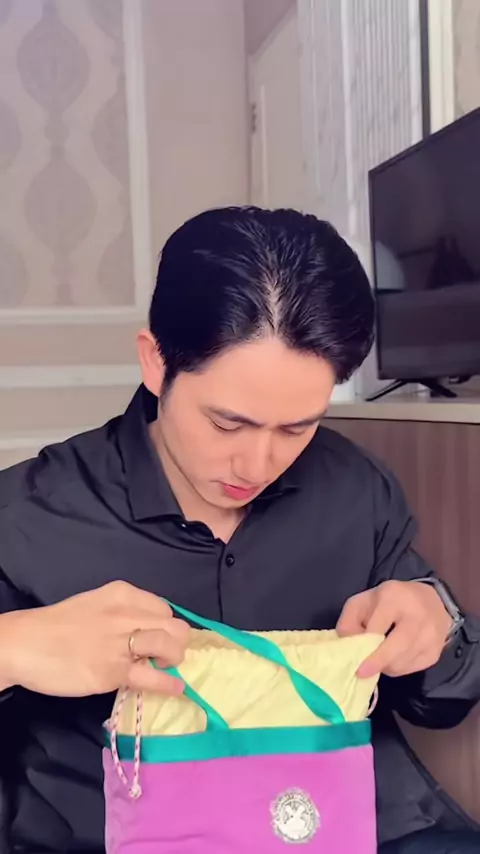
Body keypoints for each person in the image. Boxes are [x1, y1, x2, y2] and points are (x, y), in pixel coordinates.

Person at [0, 207, 479, 854]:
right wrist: (12, 648)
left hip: (350, 831)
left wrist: (436, 623)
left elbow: (442, 701)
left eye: (297, 428)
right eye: (227, 424)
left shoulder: (354, 488)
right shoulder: (27, 514)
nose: (256, 465)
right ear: (154, 362)